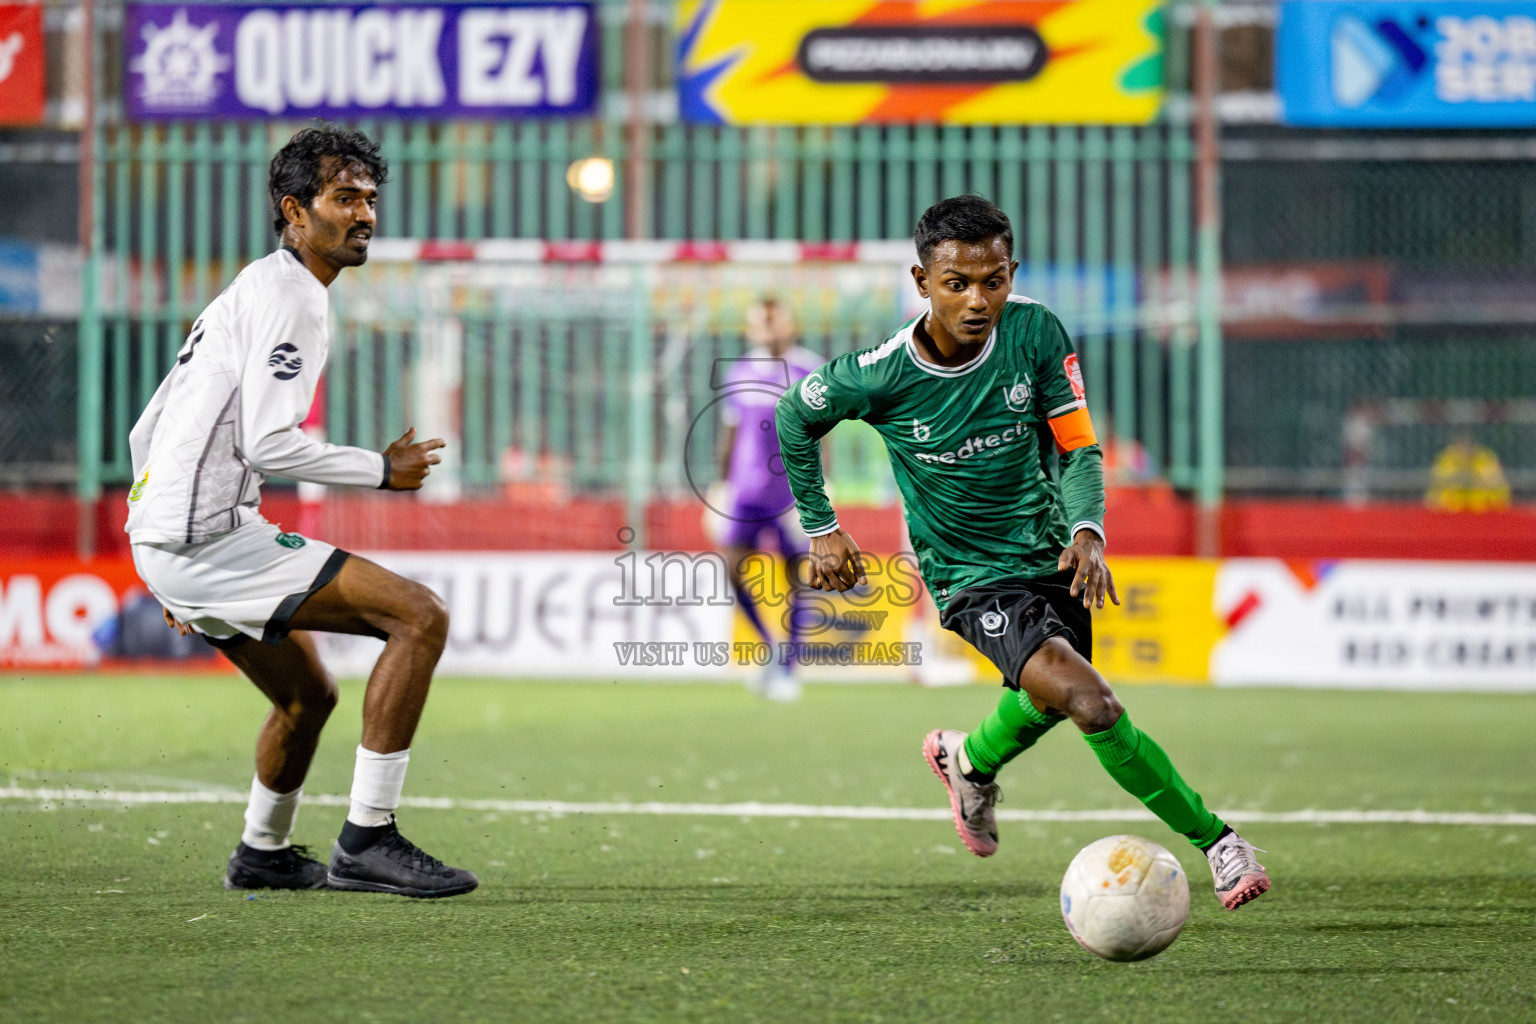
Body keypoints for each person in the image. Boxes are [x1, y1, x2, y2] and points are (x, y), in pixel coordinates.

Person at [774, 195, 1269, 910]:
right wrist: (821, 525)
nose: (978, 300)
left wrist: (1087, 529)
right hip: (969, 574)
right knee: (1090, 703)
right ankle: (1220, 843)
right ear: (922, 282)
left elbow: (1078, 446)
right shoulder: (879, 374)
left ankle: (965, 760)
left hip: (1050, 552)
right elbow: (794, 415)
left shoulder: (1034, 331)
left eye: (994, 280)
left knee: (1043, 702)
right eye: (957, 284)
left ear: (1011, 273)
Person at [125, 124, 477, 898]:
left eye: (370, 199)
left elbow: (145, 429)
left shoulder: (256, 285)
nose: (364, 215)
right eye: (343, 198)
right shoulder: (291, 299)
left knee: (306, 696)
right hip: (203, 536)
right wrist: (379, 470)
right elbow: (269, 445)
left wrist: (158, 551)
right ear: (295, 210)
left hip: (179, 534)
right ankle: (368, 839)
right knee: (419, 617)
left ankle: (262, 853)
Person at [711, 298, 822, 701]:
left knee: (799, 579)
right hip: (745, 492)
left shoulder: (810, 368)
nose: (770, 328)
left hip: (790, 494)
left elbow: (821, 434)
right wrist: (720, 484)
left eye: (777, 320)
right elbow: (731, 431)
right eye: (762, 322)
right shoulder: (740, 370)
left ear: (791, 324)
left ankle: (790, 667)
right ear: (752, 329)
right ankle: (769, 648)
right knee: (732, 571)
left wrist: (818, 490)